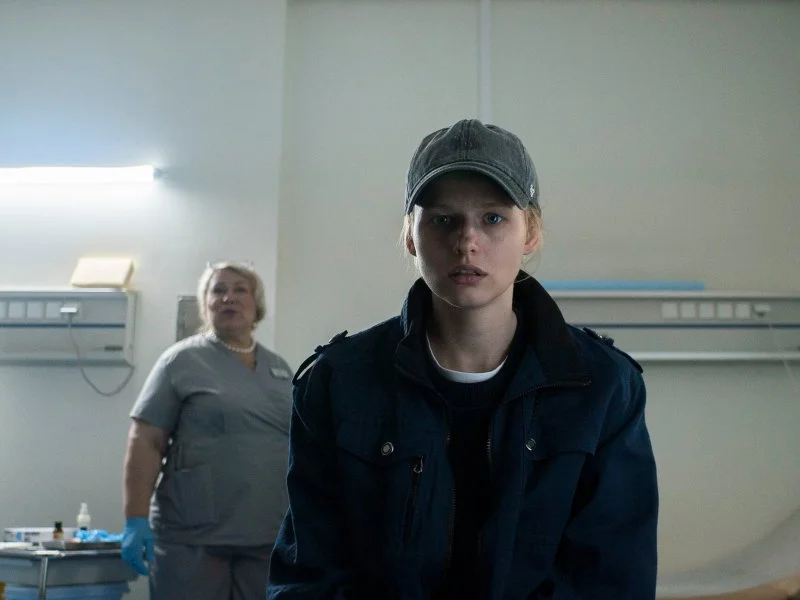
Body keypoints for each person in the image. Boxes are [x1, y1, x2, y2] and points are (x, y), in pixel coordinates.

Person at [268, 119, 659, 599]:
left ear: (531, 232)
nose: (467, 242)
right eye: (442, 220)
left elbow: (612, 578)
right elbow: (310, 574)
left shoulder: (602, 386)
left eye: (493, 219)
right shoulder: (338, 382)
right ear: (410, 236)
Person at [122, 262, 293, 600]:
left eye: (240, 290)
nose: (229, 297)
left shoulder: (279, 368)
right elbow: (146, 441)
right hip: (193, 537)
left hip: (265, 535)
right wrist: (135, 518)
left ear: (256, 304)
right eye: (219, 290)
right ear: (205, 304)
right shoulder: (180, 362)